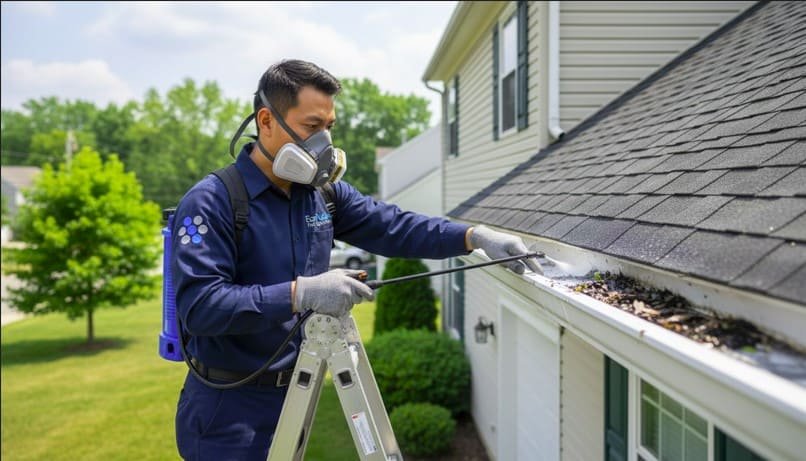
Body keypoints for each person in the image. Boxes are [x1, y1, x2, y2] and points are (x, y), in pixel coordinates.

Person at [171, 59, 542, 460]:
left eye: (329, 127)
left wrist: (474, 237)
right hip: (229, 413)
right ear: (266, 121)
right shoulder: (212, 202)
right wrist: (301, 293)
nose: (324, 142)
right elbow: (200, 307)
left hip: (295, 395)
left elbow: (395, 227)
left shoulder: (322, 195)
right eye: (313, 127)